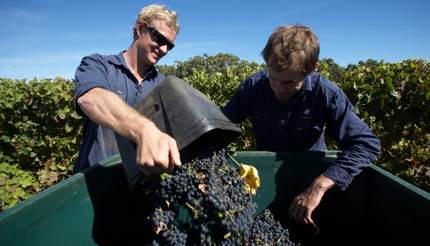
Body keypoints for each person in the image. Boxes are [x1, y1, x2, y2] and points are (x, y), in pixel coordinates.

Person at [222, 24, 381, 238]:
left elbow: (366, 144)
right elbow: (222, 127)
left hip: (309, 179)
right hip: (265, 181)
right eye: (272, 77)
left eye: (289, 82)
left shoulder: (325, 94)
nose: (278, 88)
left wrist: (320, 184)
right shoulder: (253, 87)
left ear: (312, 68)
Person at [73, 4, 182, 175]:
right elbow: (91, 98)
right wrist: (143, 129)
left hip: (140, 188)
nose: (164, 50)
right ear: (140, 29)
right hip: (94, 184)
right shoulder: (99, 65)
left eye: (170, 46)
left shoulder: (163, 85)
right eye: (160, 39)